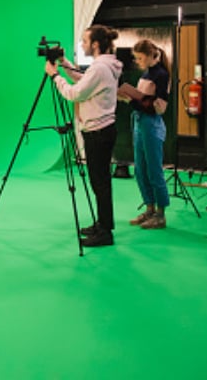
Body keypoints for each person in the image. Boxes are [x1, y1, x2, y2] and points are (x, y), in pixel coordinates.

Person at [46, 25, 122, 247]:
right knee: (100, 182)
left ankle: (105, 232)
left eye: (85, 41)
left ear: (96, 44)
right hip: (102, 130)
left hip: (98, 132)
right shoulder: (105, 65)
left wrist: (55, 76)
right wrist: (64, 62)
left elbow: (74, 92)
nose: (83, 44)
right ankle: (102, 224)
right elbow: (82, 77)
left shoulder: (99, 69)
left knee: (100, 183)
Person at [117, 39, 171, 229]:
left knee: (154, 170)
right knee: (140, 169)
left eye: (140, 58)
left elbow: (159, 108)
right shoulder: (147, 73)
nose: (138, 62)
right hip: (139, 122)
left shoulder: (162, 75)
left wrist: (130, 101)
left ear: (149, 56)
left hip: (151, 124)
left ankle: (161, 214)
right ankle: (149, 209)